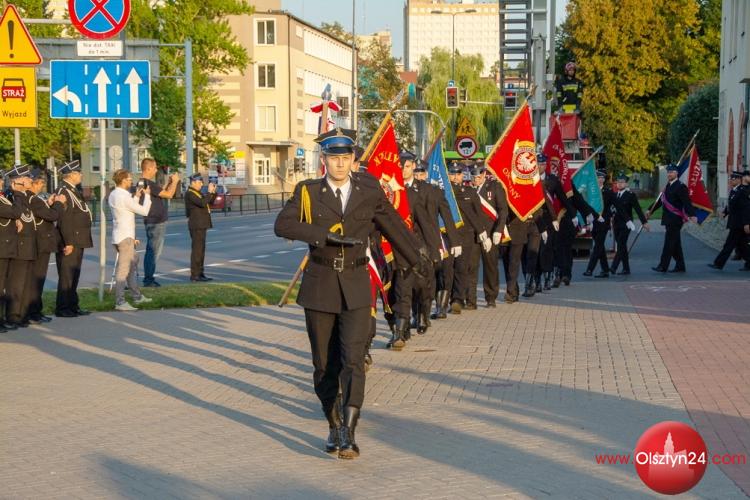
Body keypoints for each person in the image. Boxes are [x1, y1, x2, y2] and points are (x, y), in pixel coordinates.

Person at [274, 127, 428, 459]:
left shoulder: (368, 190)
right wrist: (324, 237)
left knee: (353, 360)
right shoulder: (308, 192)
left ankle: (349, 431)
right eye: (334, 158)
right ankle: (333, 423)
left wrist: (417, 258)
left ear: (353, 159)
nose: (340, 164)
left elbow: (393, 225)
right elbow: (283, 225)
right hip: (320, 286)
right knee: (324, 365)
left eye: (346, 158)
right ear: (324, 160)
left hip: (357, 283)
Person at [447, 163, 490, 313]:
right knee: (447, 271)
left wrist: (483, 233)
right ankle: (444, 300)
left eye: (458, 174)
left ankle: (457, 300)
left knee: (461, 268)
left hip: (466, 236)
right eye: (452, 174)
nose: (455, 177)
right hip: (447, 235)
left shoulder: (470, 192)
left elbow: (478, 214)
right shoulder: (443, 192)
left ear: (462, 175)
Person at [109, 169, 154, 311]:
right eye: (129, 179)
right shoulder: (123, 196)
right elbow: (144, 211)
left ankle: (137, 296)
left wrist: (136, 197)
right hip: (125, 237)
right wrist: (147, 196)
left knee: (132, 264)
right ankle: (120, 302)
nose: (131, 181)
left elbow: (128, 209)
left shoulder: (114, 194)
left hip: (120, 235)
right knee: (123, 270)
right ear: (123, 180)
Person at [23, 172, 65, 324]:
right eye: (40, 183)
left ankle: (35, 311)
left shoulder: (31, 199)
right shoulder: (33, 199)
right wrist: (58, 203)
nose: (42, 186)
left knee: (35, 279)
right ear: (33, 184)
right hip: (40, 243)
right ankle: (33, 312)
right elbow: (52, 216)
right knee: (37, 279)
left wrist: (48, 203)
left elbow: (41, 213)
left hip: (37, 243)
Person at [54, 160, 93, 318]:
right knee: (67, 276)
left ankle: (72, 306)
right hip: (70, 240)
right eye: (78, 172)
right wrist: (68, 242)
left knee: (74, 274)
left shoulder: (72, 190)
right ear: (71, 175)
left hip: (78, 238)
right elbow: (64, 219)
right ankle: (63, 308)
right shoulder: (63, 191)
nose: (81, 175)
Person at [468, 163, 508, 307]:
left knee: (490, 266)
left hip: (491, 233)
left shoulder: (494, 187)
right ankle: (470, 300)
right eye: (473, 177)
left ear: (484, 174)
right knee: (471, 267)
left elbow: (503, 210)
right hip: (473, 234)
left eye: (478, 177)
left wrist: (498, 230)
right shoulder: (468, 189)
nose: (476, 180)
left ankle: (490, 297)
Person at [139, 158, 180, 287]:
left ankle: (148, 278)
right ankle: (149, 279)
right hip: (156, 221)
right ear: (148, 168)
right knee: (154, 251)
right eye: (155, 168)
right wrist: (175, 182)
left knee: (151, 250)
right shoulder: (148, 183)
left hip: (150, 220)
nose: (156, 170)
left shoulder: (142, 182)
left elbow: (160, 192)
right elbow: (168, 195)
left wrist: (168, 183)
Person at [650, 164, 697, 273]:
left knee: (669, 243)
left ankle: (663, 266)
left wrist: (692, 214)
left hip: (675, 220)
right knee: (675, 244)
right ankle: (680, 266)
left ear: (676, 173)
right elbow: (661, 201)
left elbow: (687, 202)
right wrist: (650, 210)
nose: (669, 174)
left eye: (671, 172)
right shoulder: (668, 186)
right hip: (668, 219)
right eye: (668, 172)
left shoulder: (681, 186)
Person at [6, 165, 37, 328]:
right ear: (18, 181)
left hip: (28, 244)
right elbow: (15, 214)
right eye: (27, 177)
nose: (30, 180)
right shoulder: (13, 196)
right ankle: (13, 315)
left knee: (26, 283)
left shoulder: (24, 196)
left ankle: (22, 314)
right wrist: (17, 191)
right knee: (16, 284)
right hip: (19, 245)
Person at [609, 172, 649, 276]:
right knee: (622, 246)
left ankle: (613, 267)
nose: (619, 184)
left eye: (622, 182)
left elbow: (638, 209)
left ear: (626, 184)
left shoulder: (630, 195)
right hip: (616, 224)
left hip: (627, 224)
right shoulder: (614, 195)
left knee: (621, 244)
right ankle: (626, 269)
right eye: (618, 182)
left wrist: (644, 222)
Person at [709, 171, 750, 270]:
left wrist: (746, 223)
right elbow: (731, 205)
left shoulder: (743, 191)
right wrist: (725, 212)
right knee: (743, 245)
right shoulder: (733, 191)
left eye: (733, 179)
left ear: (739, 180)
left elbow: (746, 209)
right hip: (734, 222)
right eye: (730, 179)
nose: (731, 180)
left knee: (729, 244)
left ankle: (718, 263)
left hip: (739, 223)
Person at [0, 170, 23, 332]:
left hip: (6, 247)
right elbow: (15, 212)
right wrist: (18, 194)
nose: (2, 182)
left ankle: (2, 319)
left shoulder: (3, 197)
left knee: (3, 285)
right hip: (2, 248)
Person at [185, 174, 217, 282]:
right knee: (197, 251)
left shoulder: (198, 193)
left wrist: (213, 192)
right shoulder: (190, 193)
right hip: (196, 225)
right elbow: (202, 203)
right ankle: (195, 275)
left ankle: (200, 273)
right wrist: (209, 192)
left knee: (201, 250)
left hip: (201, 224)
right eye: (199, 182)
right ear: (193, 182)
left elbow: (210, 202)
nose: (201, 184)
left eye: (202, 182)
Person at [583, 170, 615, 278]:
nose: (600, 180)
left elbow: (617, 205)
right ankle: (605, 270)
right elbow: (586, 206)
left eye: (602, 178)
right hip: (593, 223)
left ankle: (589, 269)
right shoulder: (590, 192)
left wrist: (627, 219)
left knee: (597, 247)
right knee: (600, 247)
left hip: (603, 223)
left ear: (604, 180)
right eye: (598, 178)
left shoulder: (608, 192)